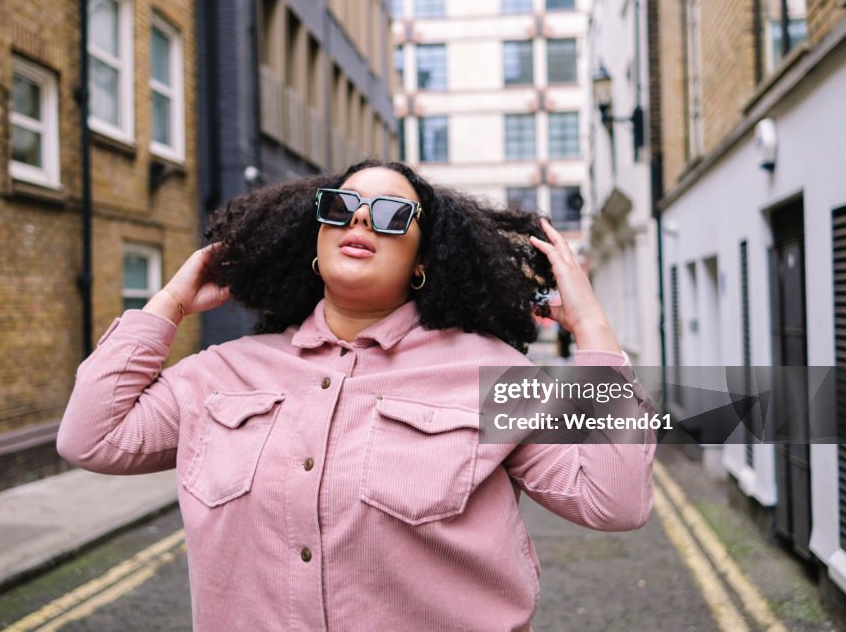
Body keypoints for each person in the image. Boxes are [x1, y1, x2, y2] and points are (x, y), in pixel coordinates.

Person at [58, 159, 657, 631]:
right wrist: (169, 304)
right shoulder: (221, 373)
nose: (361, 221)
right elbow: (91, 437)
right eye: (341, 207)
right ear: (314, 240)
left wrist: (594, 333)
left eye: (393, 214)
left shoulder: (491, 373)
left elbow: (614, 501)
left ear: (422, 260)